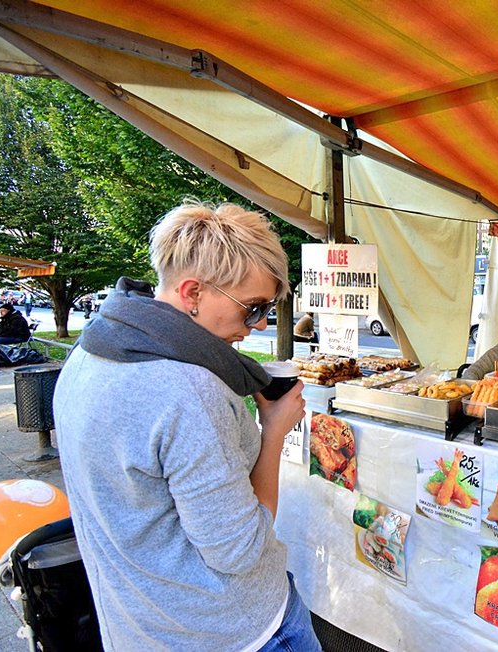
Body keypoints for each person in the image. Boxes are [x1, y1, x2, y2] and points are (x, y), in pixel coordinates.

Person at [53, 201, 321, 651]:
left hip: (140, 625)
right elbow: (241, 550)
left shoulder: (91, 351)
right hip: (233, 630)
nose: (256, 327)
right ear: (193, 293)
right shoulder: (189, 390)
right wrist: (273, 431)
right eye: (252, 308)